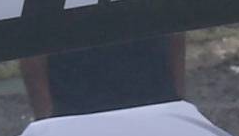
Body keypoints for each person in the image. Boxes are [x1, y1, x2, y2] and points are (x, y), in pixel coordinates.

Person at [20, 33, 186, 119]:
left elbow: (175, 29)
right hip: (76, 112)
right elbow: (33, 49)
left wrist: (178, 101)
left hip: (154, 103)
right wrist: (47, 121)